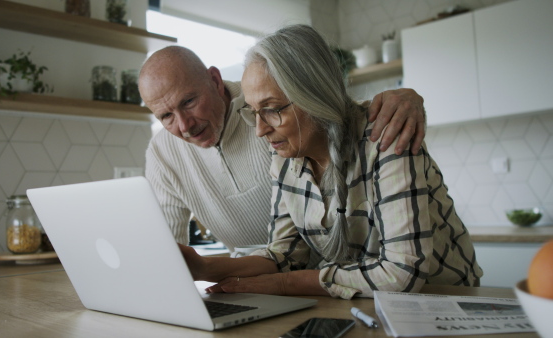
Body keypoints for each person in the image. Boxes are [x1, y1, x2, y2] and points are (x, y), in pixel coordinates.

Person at [178, 25, 482, 299]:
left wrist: (286, 285)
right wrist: (205, 268)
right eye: (255, 112)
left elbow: (402, 272)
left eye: (272, 109)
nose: (260, 130)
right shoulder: (284, 158)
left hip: (445, 302)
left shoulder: (386, 136)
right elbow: (285, 254)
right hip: (370, 304)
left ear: (314, 94)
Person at [139, 46, 426, 253]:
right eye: (166, 117)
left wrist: (405, 96)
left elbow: (336, 116)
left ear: (214, 81)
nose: (184, 125)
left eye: (189, 101)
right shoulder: (162, 154)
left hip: (328, 271)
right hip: (263, 274)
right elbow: (169, 248)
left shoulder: (270, 100)